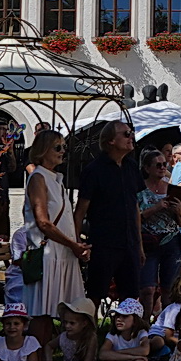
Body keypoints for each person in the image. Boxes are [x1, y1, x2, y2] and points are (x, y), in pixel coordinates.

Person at [20, 130, 87, 348]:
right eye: (57, 147)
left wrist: (76, 244)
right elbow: (43, 222)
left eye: (64, 147)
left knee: (65, 312)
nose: (62, 151)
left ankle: (50, 360)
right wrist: (73, 244)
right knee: (42, 315)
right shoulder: (38, 178)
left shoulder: (56, 179)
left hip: (64, 254)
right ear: (42, 151)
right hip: (49, 255)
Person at [75, 121, 144, 304]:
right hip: (104, 243)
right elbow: (81, 209)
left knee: (130, 297)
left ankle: (124, 332)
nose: (131, 137)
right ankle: (90, 331)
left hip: (129, 242)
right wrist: (77, 241)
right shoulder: (94, 170)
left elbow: (134, 206)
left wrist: (139, 244)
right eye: (126, 134)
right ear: (111, 141)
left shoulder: (131, 166)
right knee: (96, 294)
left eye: (131, 133)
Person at [137, 149, 181, 312]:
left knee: (169, 288)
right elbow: (135, 219)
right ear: (147, 168)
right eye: (158, 165)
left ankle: (166, 325)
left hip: (171, 241)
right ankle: (144, 326)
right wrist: (156, 208)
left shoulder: (172, 189)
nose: (163, 167)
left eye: (164, 164)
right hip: (148, 243)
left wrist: (178, 211)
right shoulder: (139, 191)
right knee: (147, 289)